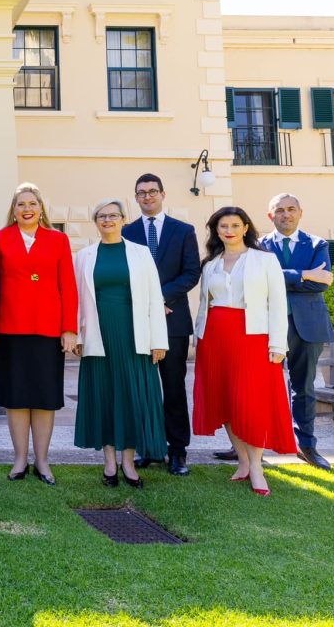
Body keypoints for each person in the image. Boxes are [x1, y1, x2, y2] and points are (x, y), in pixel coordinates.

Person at [193, 206, 294, 497]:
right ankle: (243, 462)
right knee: (224, 399)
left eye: (235, 225)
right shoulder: (210, 263)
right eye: (223, 226)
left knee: (250, 401)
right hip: (214, 338)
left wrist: (278, 344)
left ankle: (258, 467)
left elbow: (277, 303)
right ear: (216, 230)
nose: (229, 230)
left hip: (251, 337)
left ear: (246, 228)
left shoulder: (264, 260)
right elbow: (205, 304)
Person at [73, 198, 168, 490]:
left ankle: (129, 461)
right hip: (98, 336)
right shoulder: (84, 256)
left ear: (124, 219)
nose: (107, 220)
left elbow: (154, 297)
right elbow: (78, 299)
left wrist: (158, 340)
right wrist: (77, 335)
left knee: (131, 396)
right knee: (104, 395)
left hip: (134, 335)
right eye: (101, 216)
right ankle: (109, 461)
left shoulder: (141, 254)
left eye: (113, 215)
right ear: (96, 222)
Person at [0, 183, 77, 485]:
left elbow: (68, 285)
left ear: (41, 208)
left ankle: (42, 461)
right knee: (16, 397)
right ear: (13, 210)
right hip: (10, 329)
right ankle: (19, 460)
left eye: (32, 203)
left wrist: (69, 328)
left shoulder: (58, 240)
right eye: (20, 204)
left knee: (44, 397)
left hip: (47, 330)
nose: (27, 209)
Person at [121, 173, 201, 476]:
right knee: (142, 386)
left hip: (173, 320)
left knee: (173, 386)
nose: (147, 197)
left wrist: (159, 298)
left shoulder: (183, 231)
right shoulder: (126, 232)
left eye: (152, 192)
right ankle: (149, 448)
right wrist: (147, 303)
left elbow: (191, 273)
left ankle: (177, 451)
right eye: (141, 193)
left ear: (163, 194)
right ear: (136, 197)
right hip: (136, 320)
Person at [261, 193, 334, 471]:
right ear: (271, 216)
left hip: (308, 325)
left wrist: (281, 276)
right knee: (257, 386)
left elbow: (322, 284)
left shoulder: (318, 244)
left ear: (300, 213)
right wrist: (304, 274)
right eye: (279, 210)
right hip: (267, 326)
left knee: (303, 388)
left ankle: (307, 446)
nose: (285, 214)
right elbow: (260, 281)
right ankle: (248, 445)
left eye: (291, 209)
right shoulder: (259, 245)